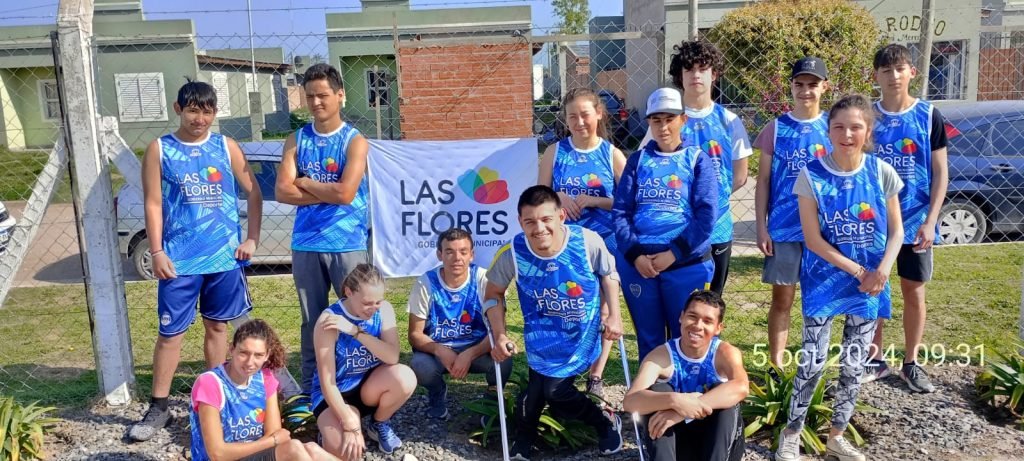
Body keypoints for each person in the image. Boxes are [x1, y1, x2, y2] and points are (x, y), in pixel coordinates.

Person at [130, 80, 262, 442]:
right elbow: (153, 203)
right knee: (170, 334)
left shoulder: (225, 146)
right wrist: (157, 251)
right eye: (192, 111)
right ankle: (159, 407)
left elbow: (254, 193)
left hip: (223, 259)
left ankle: (213, 401)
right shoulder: (160, 149)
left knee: (218, 329)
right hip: (179, 262)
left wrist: (251, 238)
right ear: (178, 109)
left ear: (215, 113)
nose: (199, 119)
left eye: (206, 112)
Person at [774, 94, 904, 461]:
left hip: (871, 285)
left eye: (855, 127)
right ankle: (791, 434)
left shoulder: (881, 172)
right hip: (825, 282)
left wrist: (882, 271)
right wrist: (860, 271)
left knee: (854, 364)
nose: (847, 134)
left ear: (868, 131)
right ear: (828, 131)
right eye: (839, 127)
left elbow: (896, 231)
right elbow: (813, 239)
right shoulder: (811, 175)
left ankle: (837, 436)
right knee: (812, 361)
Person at [485, 185, 625, 461]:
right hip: (540, 339)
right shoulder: (512, 252)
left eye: (546, 219)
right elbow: (493, 295)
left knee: (555, 391)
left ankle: (603, 423)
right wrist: (500, 335)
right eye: (530, 221)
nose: (539, 228)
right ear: (520, 222)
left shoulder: (587, 241)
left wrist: (614, 315)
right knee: (536, 393)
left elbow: (609, 274)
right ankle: (526, 436)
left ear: (561, 216)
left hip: (580, 335)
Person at [275, 63, 371, 399]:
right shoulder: (296, 139)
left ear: (340, 95)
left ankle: (358, 388)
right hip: (307, 243)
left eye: (323, 95)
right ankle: (314, 390)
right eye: (310, 96)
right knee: (312, 321)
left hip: (347, 242)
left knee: (355, 316)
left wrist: (306, 183)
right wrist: (327, 191)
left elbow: (346, 194)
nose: (316, 102)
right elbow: (282, 191)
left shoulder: (354, 141)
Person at [860, 44, 949, 393]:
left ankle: (911, 362)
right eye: (886, 70)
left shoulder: (929, 115)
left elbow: (940, 173)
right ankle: (874, 359)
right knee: (874, 289)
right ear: (876, 76)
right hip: (875, 224)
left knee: (913, 290)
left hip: (915, 223)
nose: (893, 76)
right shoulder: (867, 117)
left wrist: (931, 220)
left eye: (900, 69)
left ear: (912, 72)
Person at [613, 87, 718, 363]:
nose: (663, 127)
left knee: (688, 336)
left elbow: (706, 216)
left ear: (683, 119)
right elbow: (621, 212)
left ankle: (691, 385)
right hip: (641, 266)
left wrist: (674, 253)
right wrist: (635, 255)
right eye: (656, 120)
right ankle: (654, 387)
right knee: (649, 338)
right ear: (649, 122)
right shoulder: (638, 160)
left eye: (670, 119)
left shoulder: (697, 159)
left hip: (684, 263)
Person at [642, 39, 753, 294]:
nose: (696, 75)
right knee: (678, 301)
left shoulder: (729, 121)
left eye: (703, 68)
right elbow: (646, 168)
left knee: (711, 300)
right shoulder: (667, 121)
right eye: (689, 69)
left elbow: (740, 176)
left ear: (714, 74)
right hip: (676, 228)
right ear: (679, 76)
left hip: (717, 227)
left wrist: (708, 204)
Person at [538, 87, 627, 399]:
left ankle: (596, 375)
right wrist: (558, 197)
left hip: (604, 244)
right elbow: (539, 196)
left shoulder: (612, 154)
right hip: (565, 245)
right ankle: (563, 370)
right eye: (572, 116)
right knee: (567, 307)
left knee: (603, 310)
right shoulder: (555, 152)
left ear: (598, 114)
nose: (579, 122)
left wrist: (595, 200)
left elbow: (628, 203)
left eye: (585, 115)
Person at [753, 57, 833, 370]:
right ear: (791, 86)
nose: (805, 91)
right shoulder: (776, 128)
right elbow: (763, 181)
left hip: (823, 232)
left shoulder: (833, 127)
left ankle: (813, 365)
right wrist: (761, 227)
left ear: (824, 87)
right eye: (799, 84)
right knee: (782, 300)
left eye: (813, 84)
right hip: (784, 230)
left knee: (819, 301)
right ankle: (777, 366)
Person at [623, 290, 748, 461]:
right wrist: (674, 400)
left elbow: (741, 387)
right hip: (677, 446)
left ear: (718, 328)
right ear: (681, 317)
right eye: (692, 316)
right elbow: (630, 401)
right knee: (659, 390)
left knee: (725, 395)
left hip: (717, 445)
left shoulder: (725, 352)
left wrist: (683, 412)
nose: (697, 325)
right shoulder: (661, 355)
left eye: (707, 321)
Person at [190, 319, 338, 461]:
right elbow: (217, 454)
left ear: (267, 355)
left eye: (258, 355)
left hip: (255, 454)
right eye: (243, 353)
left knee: (312, 448)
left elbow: (274, 431)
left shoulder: (264, 378)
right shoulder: (210, 383)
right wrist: (271, 441)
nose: (250, 362)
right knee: (293, 449)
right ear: (232, 349)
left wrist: (272, 440)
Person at [312, 264, 416, 459]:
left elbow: (392, 356)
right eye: (367, 303)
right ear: (348, 292)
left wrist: (355, 331)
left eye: (378, 301)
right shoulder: (329, 320)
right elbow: (327, 383)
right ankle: (328, 434)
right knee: (347, 452)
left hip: (369, 388)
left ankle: (378, 423)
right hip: (336, 393)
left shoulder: (383, 310)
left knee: (406, 377)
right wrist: (348, 422)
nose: (373, 309)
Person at [407, 228, 512, 420]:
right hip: (440, 350)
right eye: (449, 252)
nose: (457, 258)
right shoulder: (426, 282)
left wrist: (470, 354)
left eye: (463, 252)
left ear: (472, 255)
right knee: (420, 365)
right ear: (439, 255)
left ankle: (492, 401)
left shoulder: (484, 279)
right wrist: (439, 350)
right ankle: (437, 393)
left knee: (503, 356)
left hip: (477, 350)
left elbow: (498, 331)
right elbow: (415, 335)